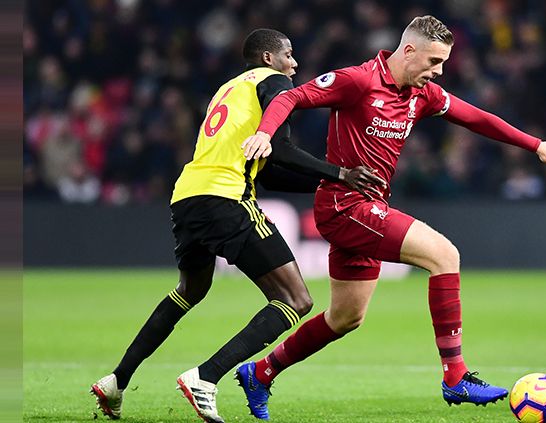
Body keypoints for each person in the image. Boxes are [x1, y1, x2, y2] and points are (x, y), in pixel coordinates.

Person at [237, 15, 546, 420]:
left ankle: (260, 372)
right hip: (345, 205)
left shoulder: (424, 95)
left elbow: (475, 117)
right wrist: (264, 132)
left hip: (367, 207)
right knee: (444, 255)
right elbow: (290, 97)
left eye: (444, 64)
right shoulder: (358, 80)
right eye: (434, 61)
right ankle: (456, 377)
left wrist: (536, 145)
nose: (438, 72)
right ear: (409, 50)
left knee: (346, 317)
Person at [89, 29, 384, 423]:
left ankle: (116, 381)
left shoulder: (227, 89)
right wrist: (341, 172)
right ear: (268, 58)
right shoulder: (275, 83)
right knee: (296, 300)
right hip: (227, 199)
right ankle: (205, 377)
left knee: (190, 290)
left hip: (188, 196)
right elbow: (280, 149)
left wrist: (327, 181)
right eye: (289, 55)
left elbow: (272, 172)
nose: (294, 64)